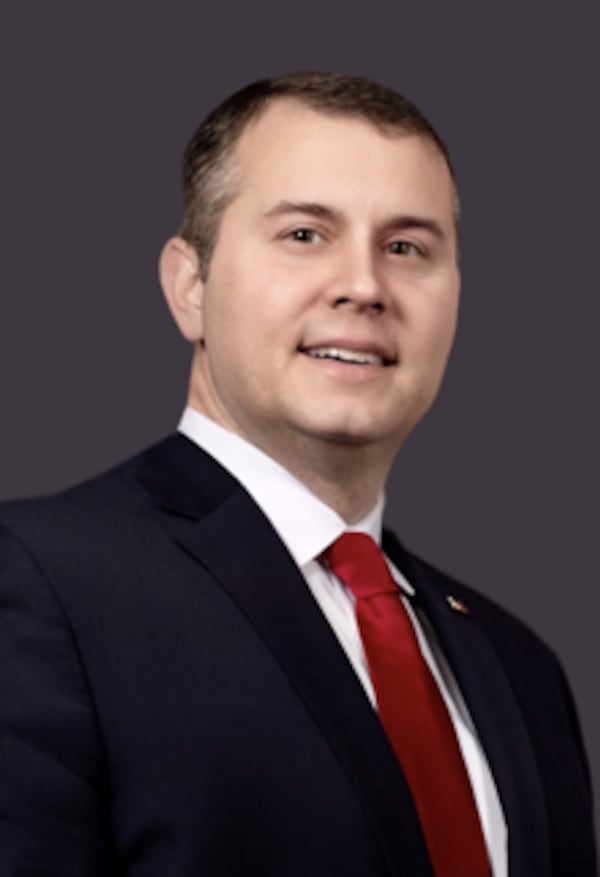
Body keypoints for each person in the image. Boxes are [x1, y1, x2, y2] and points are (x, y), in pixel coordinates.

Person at [0, 72, 595, 877]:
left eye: (406, 247)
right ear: (191, 286)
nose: (364, 286)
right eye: (305, 234)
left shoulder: (522, 669)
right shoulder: (41, 585)